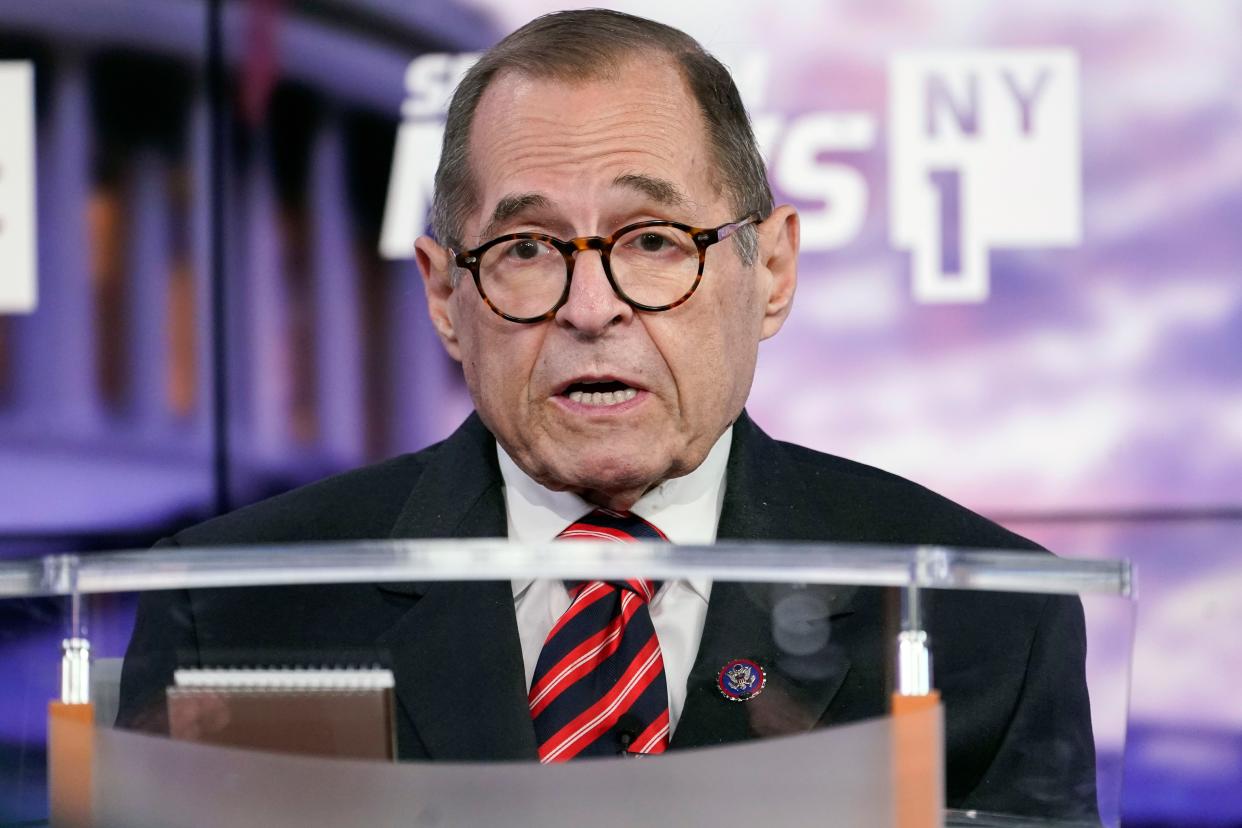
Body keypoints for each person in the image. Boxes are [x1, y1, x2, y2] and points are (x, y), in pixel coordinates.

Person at [117, 9, 1096, 819]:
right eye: (528, 250)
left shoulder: (984, 621)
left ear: (774, 270)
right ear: (443, 297)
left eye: (655, 239)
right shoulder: (237, 609)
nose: (592, 309)